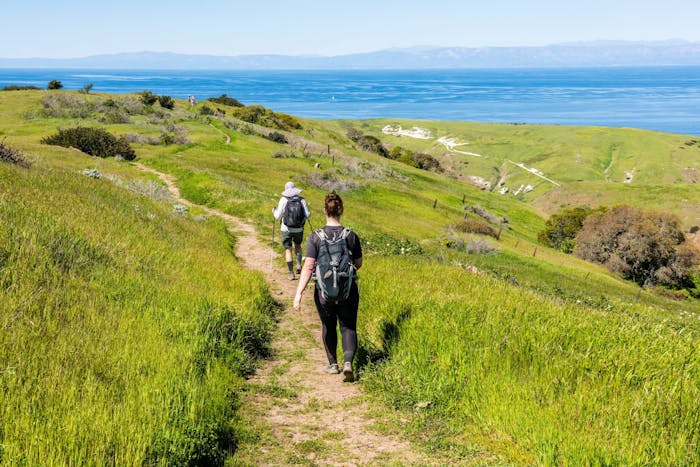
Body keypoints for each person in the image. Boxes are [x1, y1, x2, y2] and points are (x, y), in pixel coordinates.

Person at [293, 192, 363, 382]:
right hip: (348, 291)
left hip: (323, 292)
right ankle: (348, 362)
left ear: (325, 211)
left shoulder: (315, 237)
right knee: (348, 326)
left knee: (328, 325)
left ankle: (333, 365)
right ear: (341, 210)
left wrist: (298, 294)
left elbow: (308, 266)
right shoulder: (351, 236)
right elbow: (358, 263)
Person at [273, 181, 310, 280]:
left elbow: (278, 216)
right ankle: (298, 265)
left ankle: (291, 273)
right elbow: (308, 215)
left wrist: (274, 211)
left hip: (286, 229)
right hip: (299, 229)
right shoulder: (302, 200)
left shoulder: (283, 200)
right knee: (298, 245)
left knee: (288, 249)